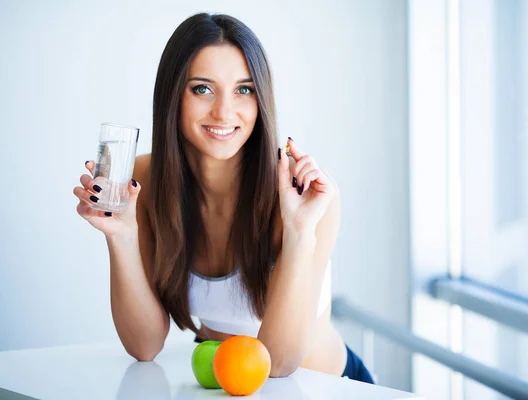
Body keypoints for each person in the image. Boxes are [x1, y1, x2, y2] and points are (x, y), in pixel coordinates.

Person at [73, 12, 374, 384]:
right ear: (173, 95)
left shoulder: (306, 196)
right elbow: (144, 345)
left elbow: (277, 363)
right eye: (203, 89)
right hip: (221, 387)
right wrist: (121, 237)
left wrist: (298, 232)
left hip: (321, 388)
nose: (224, 112)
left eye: (244, 90)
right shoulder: (145, 181)